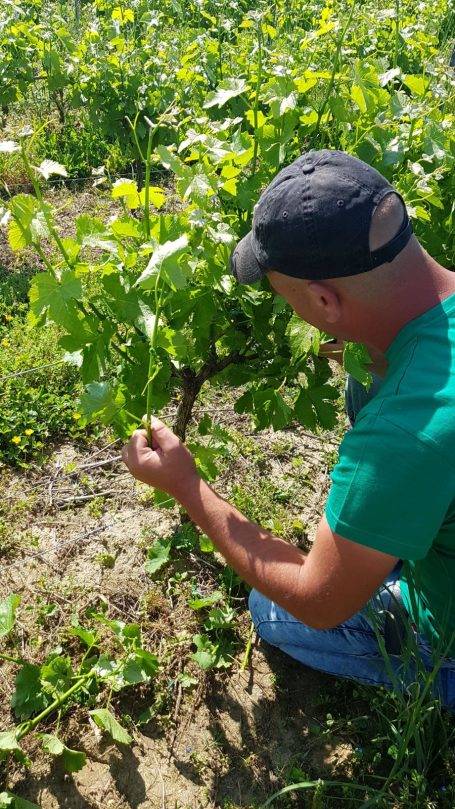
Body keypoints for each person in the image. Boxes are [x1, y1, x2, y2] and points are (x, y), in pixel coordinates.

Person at [122, 150, 455, 709]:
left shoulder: (403, 429)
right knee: (363, 382)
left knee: (272, 611)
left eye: (290, 298)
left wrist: (187, 484)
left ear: (324, 299)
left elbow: (318, 600)